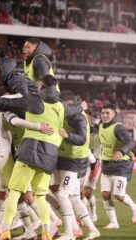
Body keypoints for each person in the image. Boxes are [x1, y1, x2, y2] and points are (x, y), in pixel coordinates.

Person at [0, 75, 85, 240]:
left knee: (13, 193)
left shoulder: (34, 100)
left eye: (39, 84)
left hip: (29, 152)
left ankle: (4, 230)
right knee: (40, 197)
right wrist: (80, 106)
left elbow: (7, 103)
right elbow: (74, 110)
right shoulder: (60, 106)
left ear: (43, 86)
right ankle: (47, 232)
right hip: (49, 156)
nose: (37, 86)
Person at [47, 90, 99, 240]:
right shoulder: (63, 113)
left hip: (74, 161)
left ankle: (69, 233)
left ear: (69, 103)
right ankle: (93, 229)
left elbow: (82, 139)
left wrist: (67, 135)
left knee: (63, 194)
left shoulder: (79, 117)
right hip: (63, 157)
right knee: (74, 197)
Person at [99, 104, 136, 229]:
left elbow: (131, 142)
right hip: (106, 164)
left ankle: (134, 207)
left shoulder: (118, 128)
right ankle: (113, 223)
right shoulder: (100, 126)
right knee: (105, 194)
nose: (104, 115)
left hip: (121, 165)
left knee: (119, 196)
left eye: (107, 113)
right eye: (103, 113)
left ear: (114, 115)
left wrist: (122, 151)